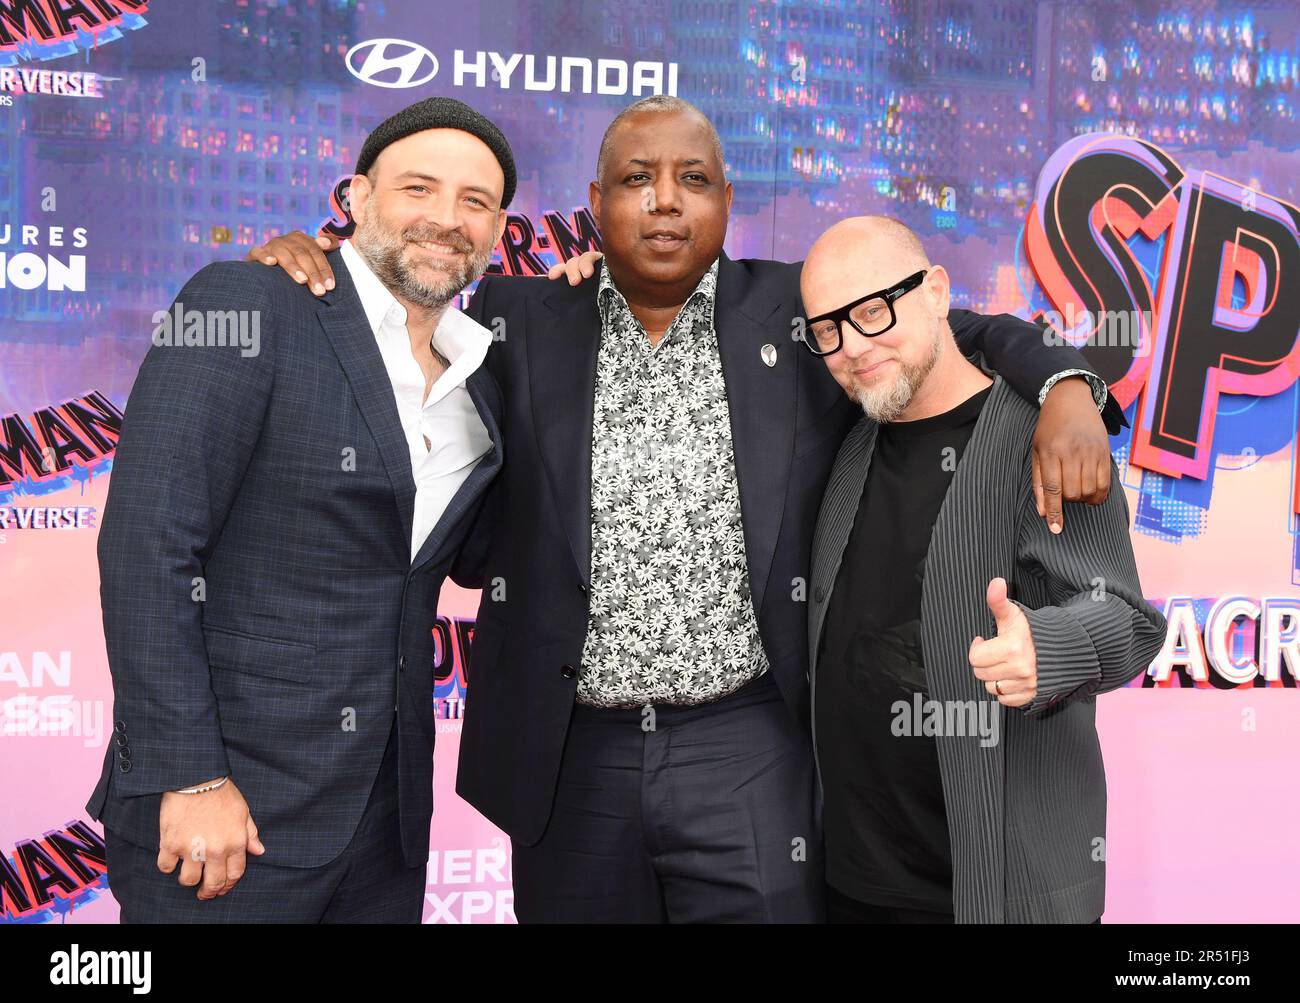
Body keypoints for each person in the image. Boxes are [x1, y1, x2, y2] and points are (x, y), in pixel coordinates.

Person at [251, 95, 1122, 923]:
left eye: (693, 179)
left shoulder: (793, 310)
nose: (665, 201)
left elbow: (946, 324)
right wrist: (315, 271)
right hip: (569, 754)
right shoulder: (517, 318)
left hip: (748, 744)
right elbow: (398, 333)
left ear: (726, 201)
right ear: (596, 202)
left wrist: (1066, 383)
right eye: (636, 179)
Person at [87, 97, 512, 922]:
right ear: (355, 198)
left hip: (385, 826)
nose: (446, 219)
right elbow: (147, 548)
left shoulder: (482, 376)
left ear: (499, 226)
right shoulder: (247, 303)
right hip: (229, 810)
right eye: (418, 188)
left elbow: (466, 558)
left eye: (475, 201)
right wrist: (190, 774)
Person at [801, 216, 1166, 923]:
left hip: (1000, 896)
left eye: (876, 311)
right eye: (829, 330)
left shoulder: (1047, 437)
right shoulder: (846, 440)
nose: (854, 346)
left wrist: (1048, 646)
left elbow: (1127, 620)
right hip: (853, 888)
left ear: (937, 292)